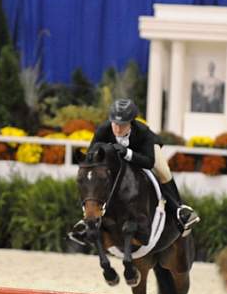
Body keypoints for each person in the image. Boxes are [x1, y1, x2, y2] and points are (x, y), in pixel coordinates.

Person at [69, 98, 200, 244]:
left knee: (163, 171)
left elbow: (149, 162)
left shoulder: (143, 132)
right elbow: (91, 158)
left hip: (144, 153)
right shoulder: (103, 130)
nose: (118, 129)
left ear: (131, 122)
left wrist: (127, 153)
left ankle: (178, 210)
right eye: (115, 124)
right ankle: (86, 220)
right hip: (118, 157)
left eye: (123, 125)